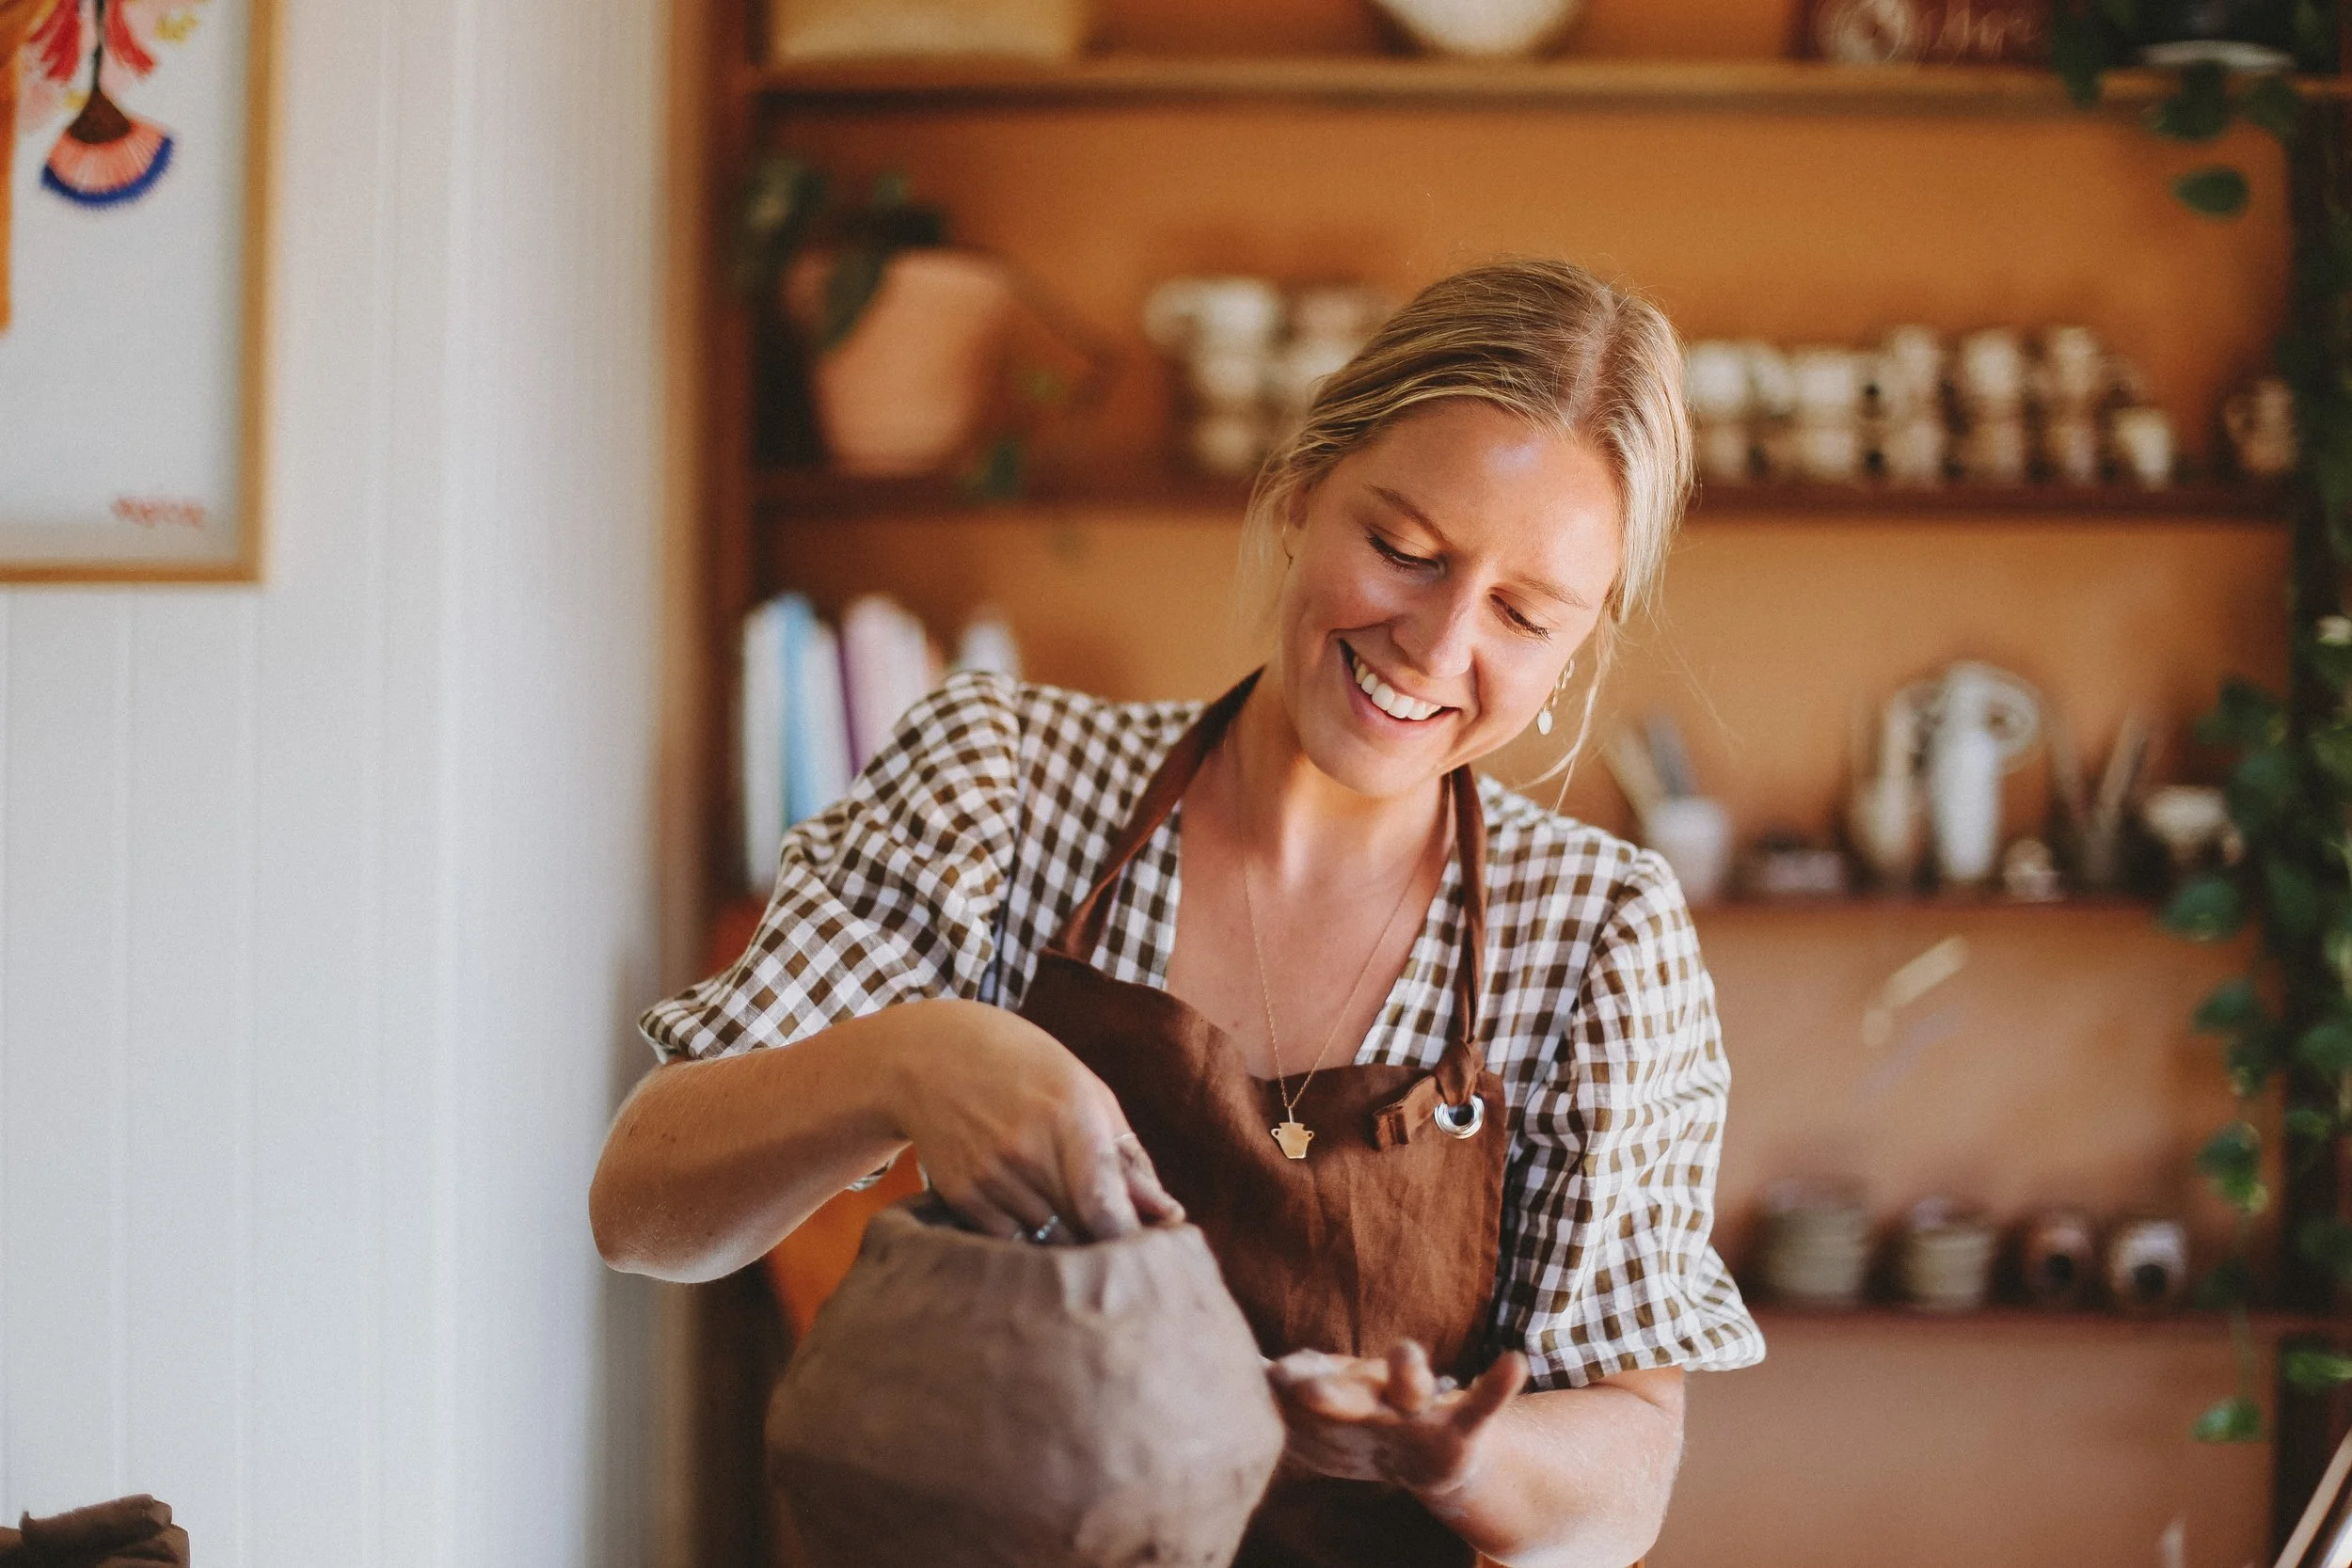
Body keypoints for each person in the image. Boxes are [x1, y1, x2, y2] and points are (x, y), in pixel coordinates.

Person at [592, 257, 1763, 1568]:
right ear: (1303, 490)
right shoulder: (1007, 784)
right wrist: (908, 1057)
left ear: (1574, 653)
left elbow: (1625, 1479)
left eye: (1521, 612)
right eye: (1403, 549)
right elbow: (644, 1206)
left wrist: (1461, 1452)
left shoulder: (1599, 929)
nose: (1435, 648)